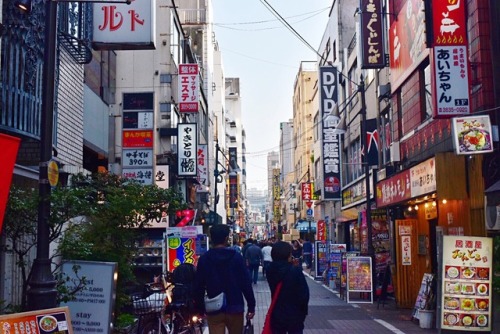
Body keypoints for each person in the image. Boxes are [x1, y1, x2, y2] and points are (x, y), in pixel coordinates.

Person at [193, 224, 256, 334]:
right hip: (235, 306)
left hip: (214, 307)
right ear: (226, 238)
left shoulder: (204, 259)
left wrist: (200, 309)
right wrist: (251, 306)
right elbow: (246, 283)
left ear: (211, 238)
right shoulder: (237, 257)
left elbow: (199, 286)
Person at [266, 241, 309, 333]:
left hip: (277, 312)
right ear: (288, 254)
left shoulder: (270, 270)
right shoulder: (295, 271)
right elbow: (304, 294)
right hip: (294, 314)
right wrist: (303, 312)